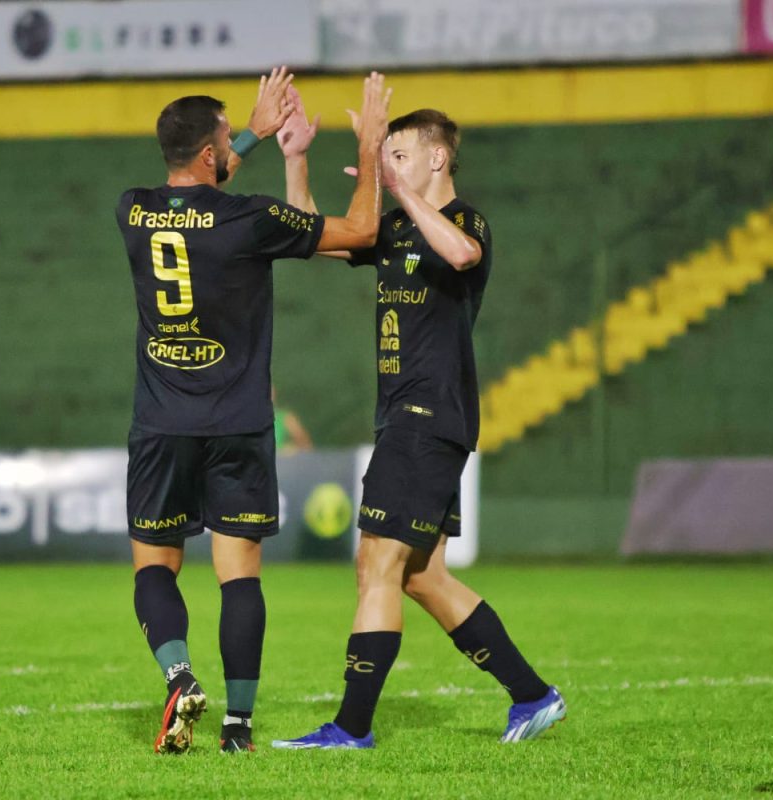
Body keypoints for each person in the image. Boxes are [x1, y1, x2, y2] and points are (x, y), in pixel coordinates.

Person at [270, 97, 566, 748]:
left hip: (427, 415)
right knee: (421, 576)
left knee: (374, 564)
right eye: (386, 157)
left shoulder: (464, 220)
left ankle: (351, 728)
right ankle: (532, 695)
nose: (389, 167)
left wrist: (397, 188)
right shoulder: (397, 227)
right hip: (411, 419)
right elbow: (314, 235)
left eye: (399, 155)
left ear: (437, 157)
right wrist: (297, 161)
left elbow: (461, 255)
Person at [116, 68, 391, 754]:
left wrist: (252, 135)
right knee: (240, 578)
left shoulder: (133, 209)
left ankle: (179, 676)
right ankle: (238, 726)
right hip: (238, 423)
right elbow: (361, 230)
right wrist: (370, 148)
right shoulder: (252, 219)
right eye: (226, 136)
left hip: (161, 422)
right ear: (211, 151)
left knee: (154, 569)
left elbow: (202, 186)